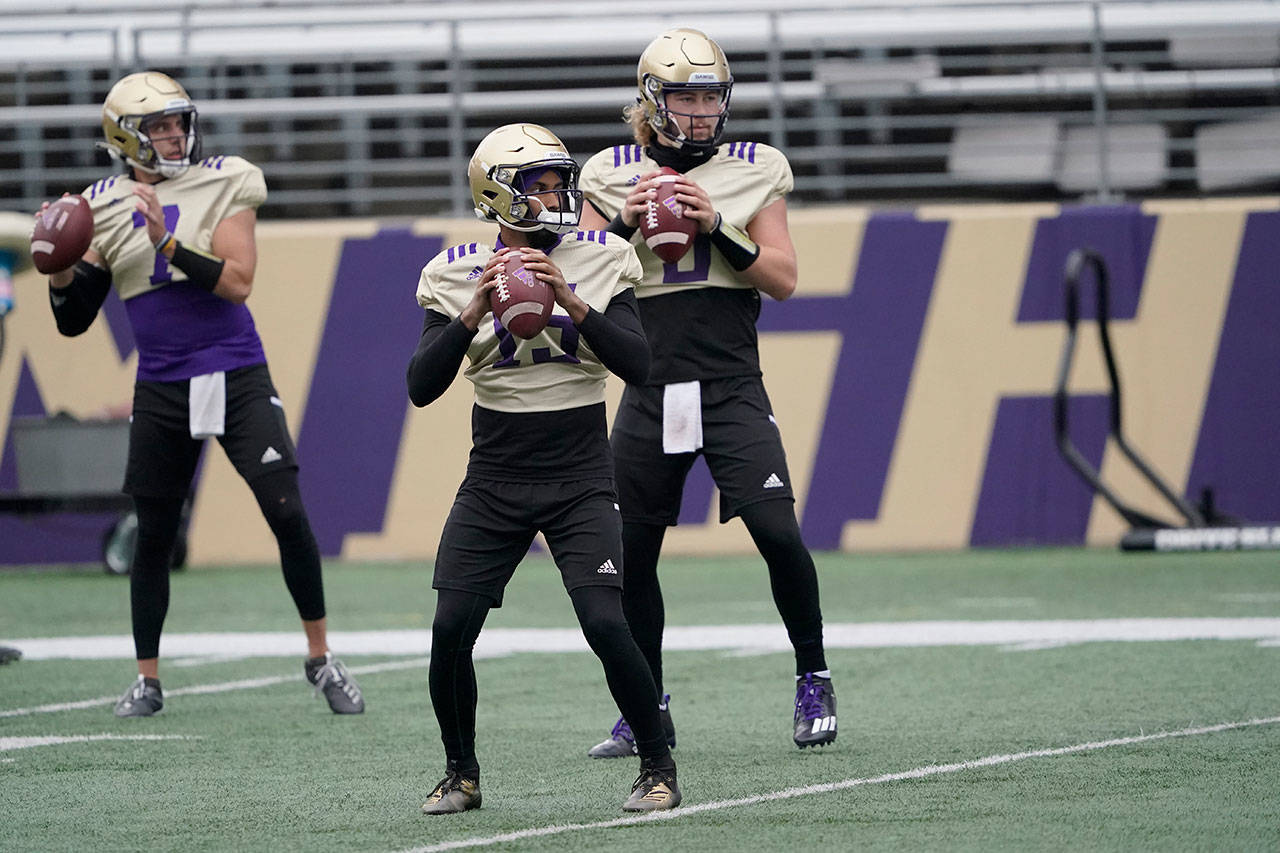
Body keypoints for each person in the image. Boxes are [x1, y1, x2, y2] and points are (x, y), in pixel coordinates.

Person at [44, 71, 363, 717]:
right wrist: (58, 270)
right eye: (156, 126)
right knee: (153, 530)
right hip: (162, 382)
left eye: (176, 121)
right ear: (125, 139)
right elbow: (76, 318)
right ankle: (147, 678)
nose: (172, 134)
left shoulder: (227, 177)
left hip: (234, 369)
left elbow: (238, 281)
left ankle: (322, 656)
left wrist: (166, 240)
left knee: (285, 508)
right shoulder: (103, 202)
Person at [406, 123, 680, 814]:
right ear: (498, 194)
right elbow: (420, 384)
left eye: (561, 182)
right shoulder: (452, 270)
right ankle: (461, 771)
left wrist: (572, 301)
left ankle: (658, 765)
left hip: (580, 468)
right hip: (495, 471)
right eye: (541, 185)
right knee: (449, 627)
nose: (558, 195)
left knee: (604, 620)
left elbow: (640, 366)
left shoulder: (603, 257)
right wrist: (471, 311)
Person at [577, 28, 837, 754]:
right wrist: (631, 218)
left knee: (779, 532)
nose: (700, 110)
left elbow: (783, 279)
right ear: (652, 101)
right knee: (631, 554)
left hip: (728, 381)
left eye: (710, 96)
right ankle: (643, 704)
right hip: (648, 385)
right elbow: (586, 284)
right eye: (686, 96)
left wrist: (714, 222)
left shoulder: (755, 167)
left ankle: (813, 672)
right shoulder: (607, 172)